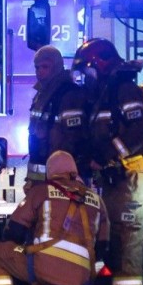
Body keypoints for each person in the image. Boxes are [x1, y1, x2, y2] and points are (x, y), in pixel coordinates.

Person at [0, 151, 107, 285]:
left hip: (44, 272)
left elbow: (14, 230)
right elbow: (104, 246)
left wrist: (20, 246)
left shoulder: (41, 191)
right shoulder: (98, 201)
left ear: (50, 172)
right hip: (82, 280)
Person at [74, 38, 143, 285]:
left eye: (88, 70)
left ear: (101, 65)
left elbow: (139, 130)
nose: (86, 77)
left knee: (127, 240)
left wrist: (110, 155)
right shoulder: (103, 95)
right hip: (116, 174)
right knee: (113, 241)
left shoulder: (125, 91)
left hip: (131, 173)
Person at [26, 45, 88, 185]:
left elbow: (73, 137)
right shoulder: (41, 95)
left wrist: (62, 172)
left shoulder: (69, 94)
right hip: (41, 173)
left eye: (45, 67)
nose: (40, 72)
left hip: (61, 175)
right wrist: (32, 181)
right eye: (37, 68)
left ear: (57, 67)